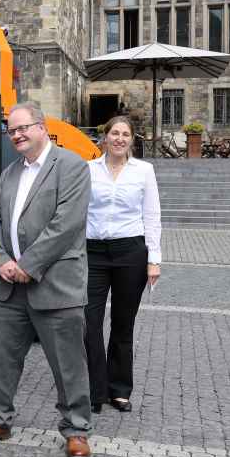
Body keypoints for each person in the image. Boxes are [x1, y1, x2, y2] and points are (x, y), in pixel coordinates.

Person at [0, 101, 94, 457]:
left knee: (68, 363)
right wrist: (3, 261)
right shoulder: (10, 172)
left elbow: (67, 223)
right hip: (9, 285)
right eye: (12, 130)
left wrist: (29, 264)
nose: (18, 135)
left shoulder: (71, 166)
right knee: (2, 358)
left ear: (42, 127)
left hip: (56, 284)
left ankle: (76, 429)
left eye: (24, 128)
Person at [85, 116, 161, 414]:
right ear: (104, 138)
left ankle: (119, 390)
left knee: (122, 324)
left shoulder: (144, 171)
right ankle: (95, 389)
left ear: (132, 139)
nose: (119, 138)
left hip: (130, 251)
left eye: (125, 134)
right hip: (93, 253)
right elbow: (79, 212)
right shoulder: (88, 169)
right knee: (88, 323)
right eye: (114, 133)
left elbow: (152, 216)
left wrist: (154, 259)